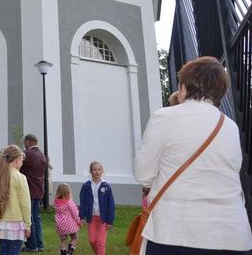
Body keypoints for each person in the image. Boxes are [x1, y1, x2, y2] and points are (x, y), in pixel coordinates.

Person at [134, 56, 252, 254]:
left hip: (176, 232)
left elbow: (143, 174)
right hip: (232, 234)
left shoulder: (164, 117)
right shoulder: (230, 126)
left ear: (184, 86)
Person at [0, 145, 31, 255]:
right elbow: (25, 204)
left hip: (2, 222)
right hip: (16, 221)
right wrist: (28, 224)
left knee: (4, 252)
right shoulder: (20, 177)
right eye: (22, 160)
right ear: (17, 160)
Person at [78, 161, 115, 255]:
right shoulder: (86, 186)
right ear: (91, 171)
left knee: (101, 242)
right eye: (94, 170)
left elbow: (111, 204)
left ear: (102, 171)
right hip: (92, 218)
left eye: (99, 169)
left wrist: (110, 220)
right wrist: (81, 216)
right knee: (92, 240)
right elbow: (83, 202)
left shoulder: (106, 186)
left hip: (103, 219)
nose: (97, 172)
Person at [19, 133, 47, 253]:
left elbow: (17, 165)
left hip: (29, 190)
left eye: (24, 143)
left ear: (27, 142)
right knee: (36, 218)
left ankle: (31, 245)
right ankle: (39, 244)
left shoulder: (28, 154)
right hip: (39, 190)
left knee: (28, 218)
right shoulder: (42, 154)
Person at [54, 183, 81, 255]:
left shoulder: (56, 202)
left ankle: (63, 253)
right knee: (75, 238)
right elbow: (75, 213)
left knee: (63, 240)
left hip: (60, 225)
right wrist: (79, 222)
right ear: (68, 192)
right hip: (69, 224)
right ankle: (70, 250)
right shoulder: (69, 202)